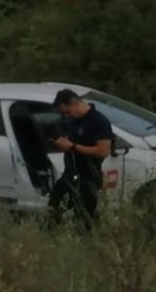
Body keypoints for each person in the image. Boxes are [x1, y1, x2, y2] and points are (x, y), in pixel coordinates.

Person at [49, 89, 114, 227]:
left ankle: (86, 240)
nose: (66, 116)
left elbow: (103, 151)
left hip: (88, 177)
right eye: (62, 114)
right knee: (53, 209)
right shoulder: (74, 121)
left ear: (75, 103)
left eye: (67, 112)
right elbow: (73, 140)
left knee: (84, 218)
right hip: (70, 174)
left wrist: (73, 146)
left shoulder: (98, 121)